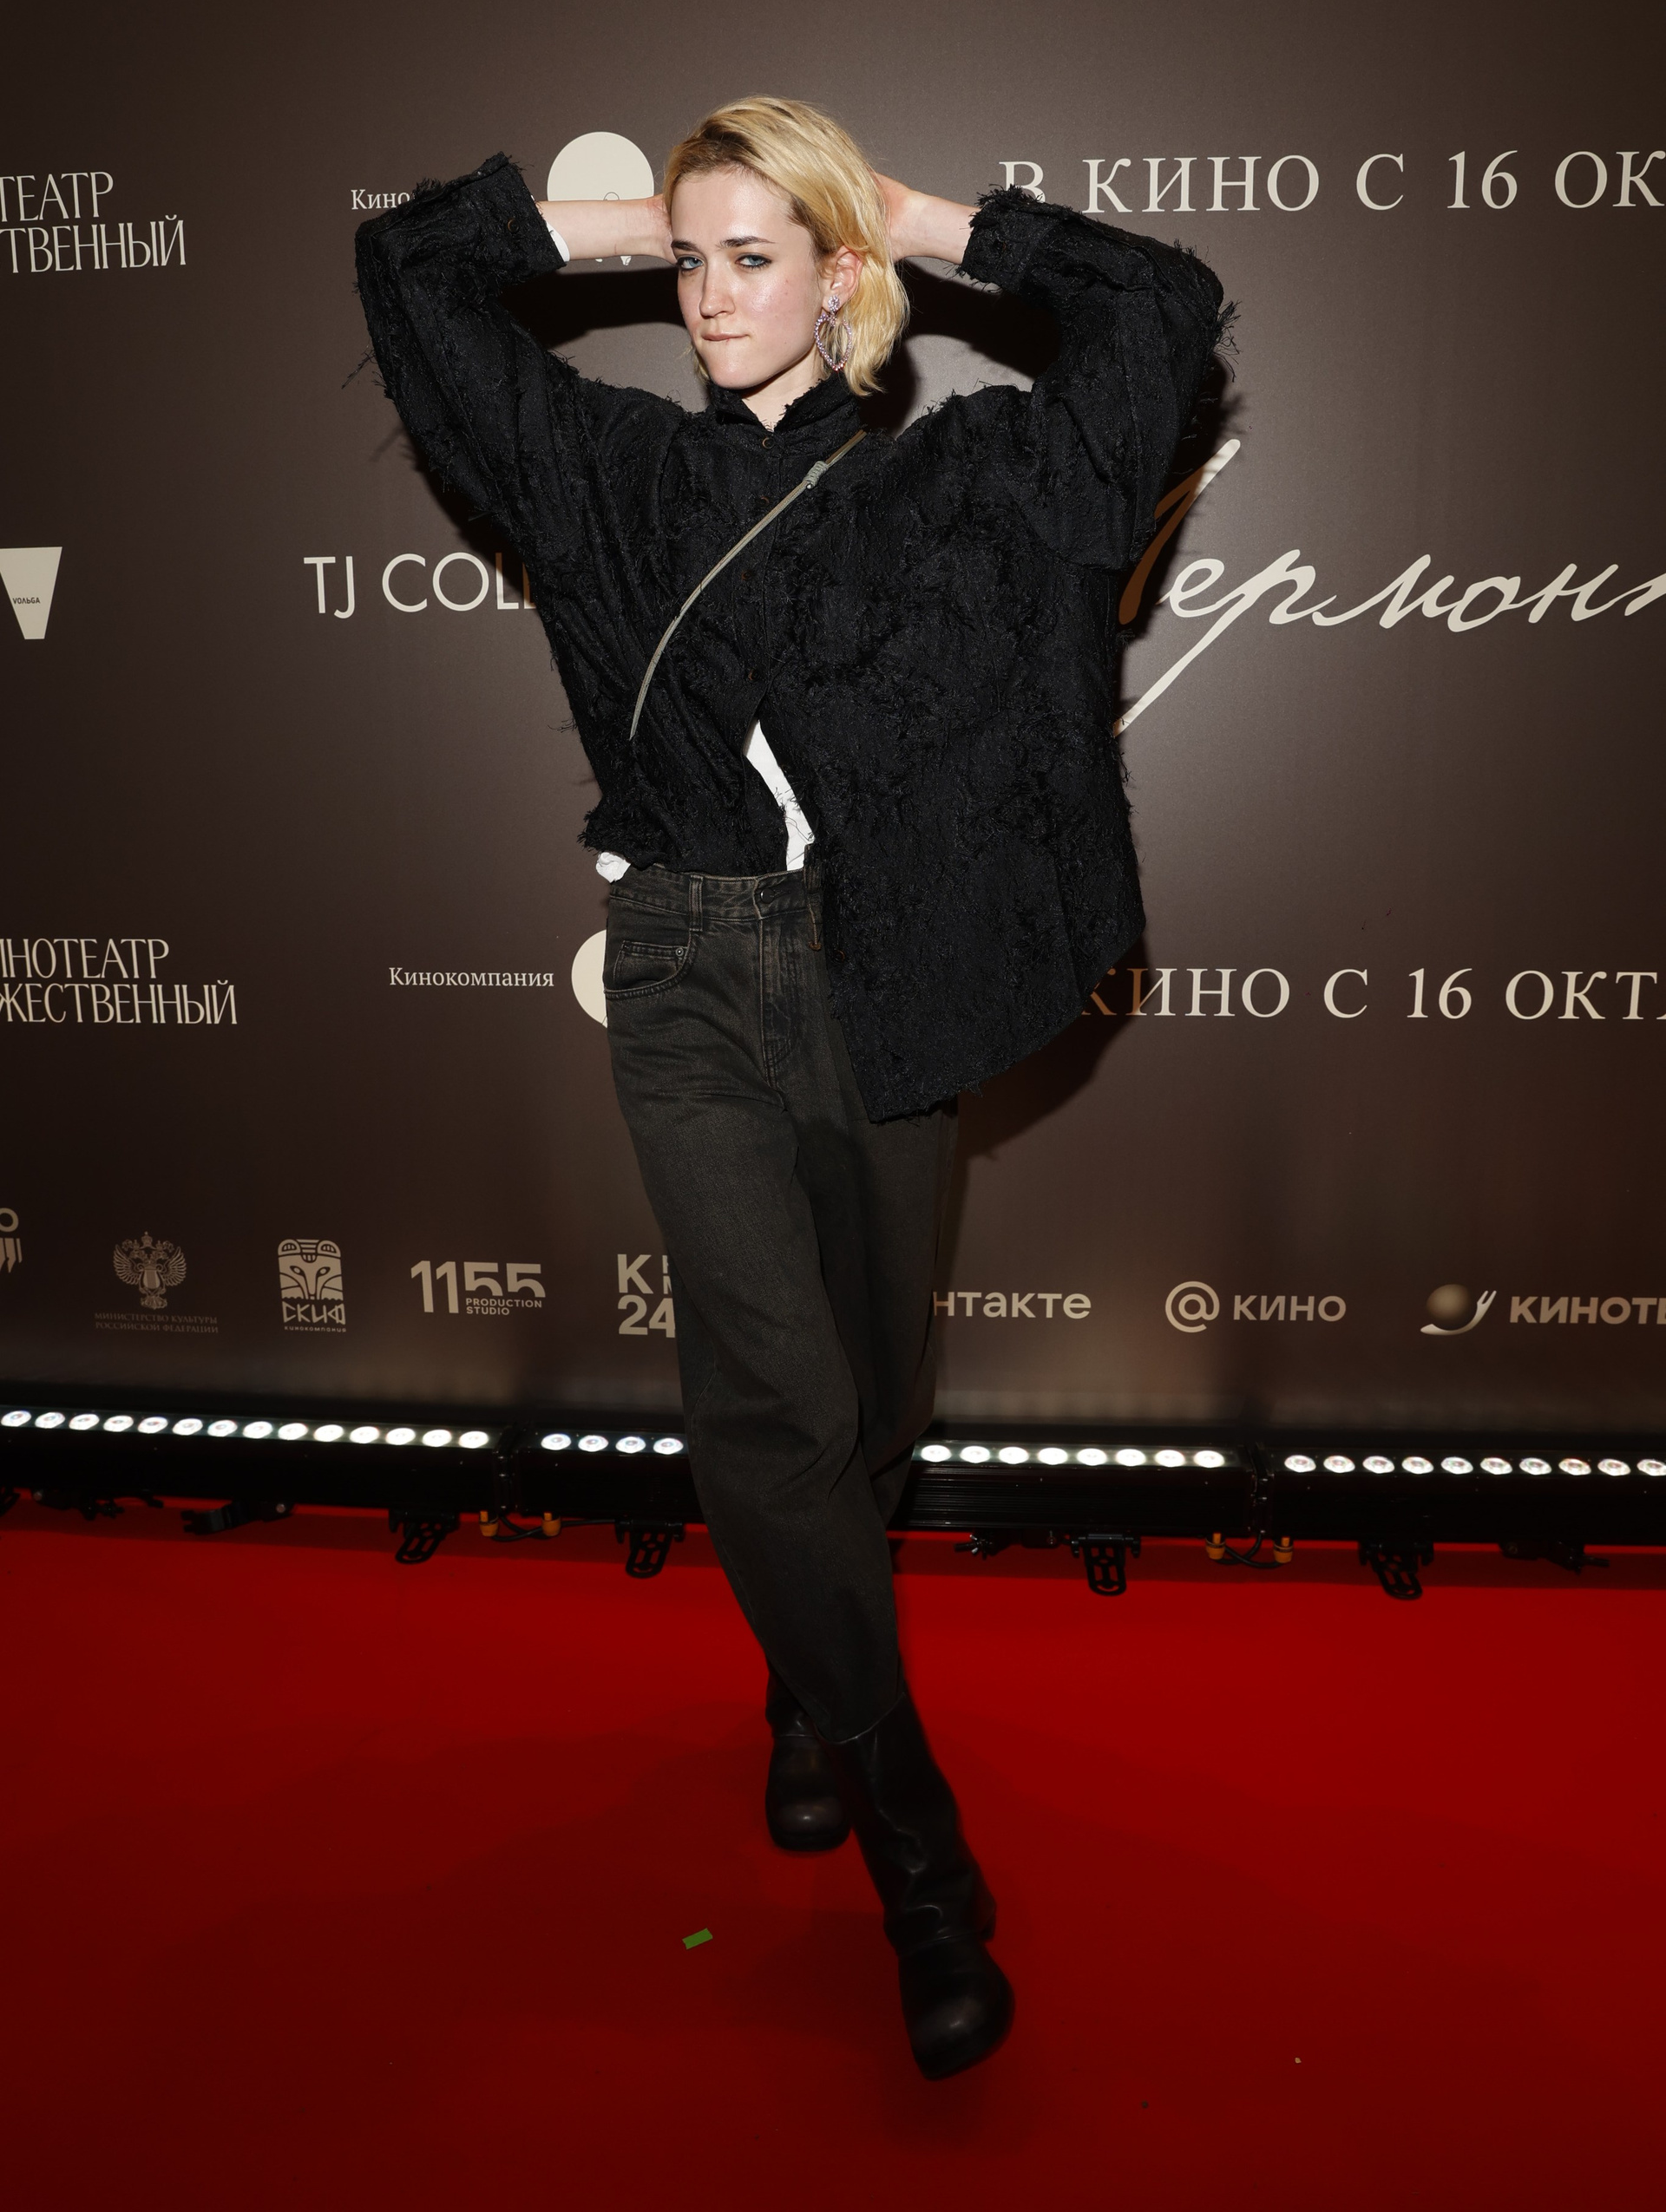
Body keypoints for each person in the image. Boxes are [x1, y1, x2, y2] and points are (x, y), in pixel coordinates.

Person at [355, 100, 1225, 2078]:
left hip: (886, 974)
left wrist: (918, 212)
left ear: (840, 277)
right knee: (774, 1404)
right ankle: (919, 1847)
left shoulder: (968, 484)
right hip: (686, 973)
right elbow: (406, 277)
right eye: (692, 262)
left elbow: (1166, 314)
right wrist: (602, 229)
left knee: (873, 1404)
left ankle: (802, 1682)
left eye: (754, 257)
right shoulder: (613, 474)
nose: (708, 297)